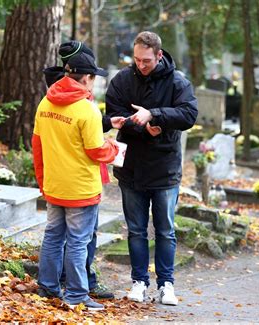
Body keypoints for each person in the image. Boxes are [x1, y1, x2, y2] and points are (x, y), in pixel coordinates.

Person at [103, 31, 197, 305]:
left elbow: (188, 114)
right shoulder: (122, 79)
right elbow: (113, 115)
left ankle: (166, 284)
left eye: (146, 60)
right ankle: (139, 282)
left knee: (166, 229)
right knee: (136, 229)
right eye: (136, 59)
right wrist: (144, 125)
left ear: (159, 55)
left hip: (165, 168)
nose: (140, 65)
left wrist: (155, 114)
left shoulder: (177, 81)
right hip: (131, 167)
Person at [33, 48, 126, 310]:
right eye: (93, 77)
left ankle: (48, 287)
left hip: (55, 184)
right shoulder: (87, 110)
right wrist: (115, 148)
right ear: (85, 78)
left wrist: (43, 181)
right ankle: (76, 295)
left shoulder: (45, 103)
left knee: (53, 236)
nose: (94, 82)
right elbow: (97, 150)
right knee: (78, 242)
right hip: (81, 189)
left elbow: (37, 145)